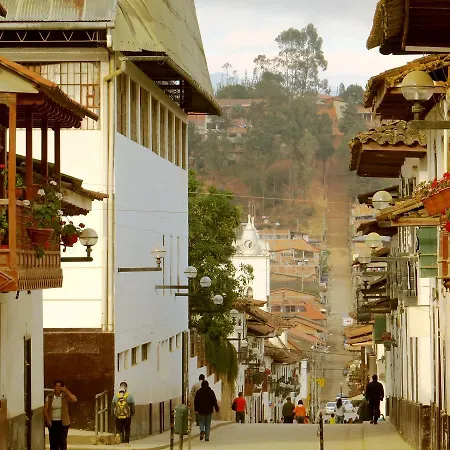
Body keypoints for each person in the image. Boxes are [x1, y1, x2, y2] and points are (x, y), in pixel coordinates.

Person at [44, 380, 77, 450]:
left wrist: (66, 391)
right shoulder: (49, 397)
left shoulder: (65, 396)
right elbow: (45, 410)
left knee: (62, 441)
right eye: (56, 386)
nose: (57, 388)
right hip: (53, 422)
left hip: (63, 422)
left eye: (59, 386)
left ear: (62, 388)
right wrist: (48, 420)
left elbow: (74, 400)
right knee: (53, 442)